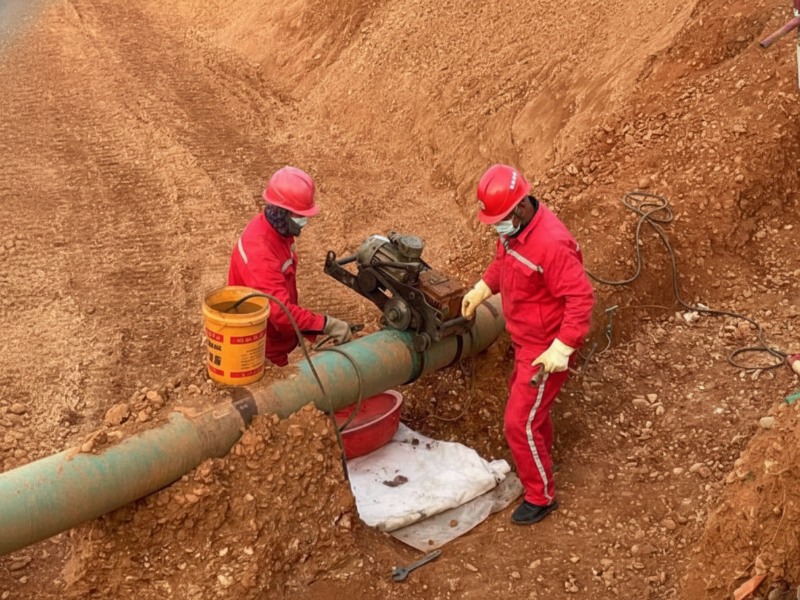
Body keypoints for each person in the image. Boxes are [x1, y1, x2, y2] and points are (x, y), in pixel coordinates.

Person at [461, 164, 595, 525]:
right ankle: (540, 454)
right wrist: (483, 288)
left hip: (544, 347)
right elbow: (503, 263)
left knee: (518, 423)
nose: (496, 229)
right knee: (529, 415)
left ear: (519, 208)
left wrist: (562, 347)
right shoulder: (515, 231)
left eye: (500, 220)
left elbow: (581, 298)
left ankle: (541, 495)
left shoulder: (551, 244)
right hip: (524, 340)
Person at [228, 166, 354, 367]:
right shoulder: (260, 252)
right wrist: (325, 324)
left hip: (276, 334)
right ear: (281, 212)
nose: (304, 222)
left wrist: (311, 330)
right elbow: (281, 313)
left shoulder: (278, 231)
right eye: (299, 216)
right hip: (261, 346)